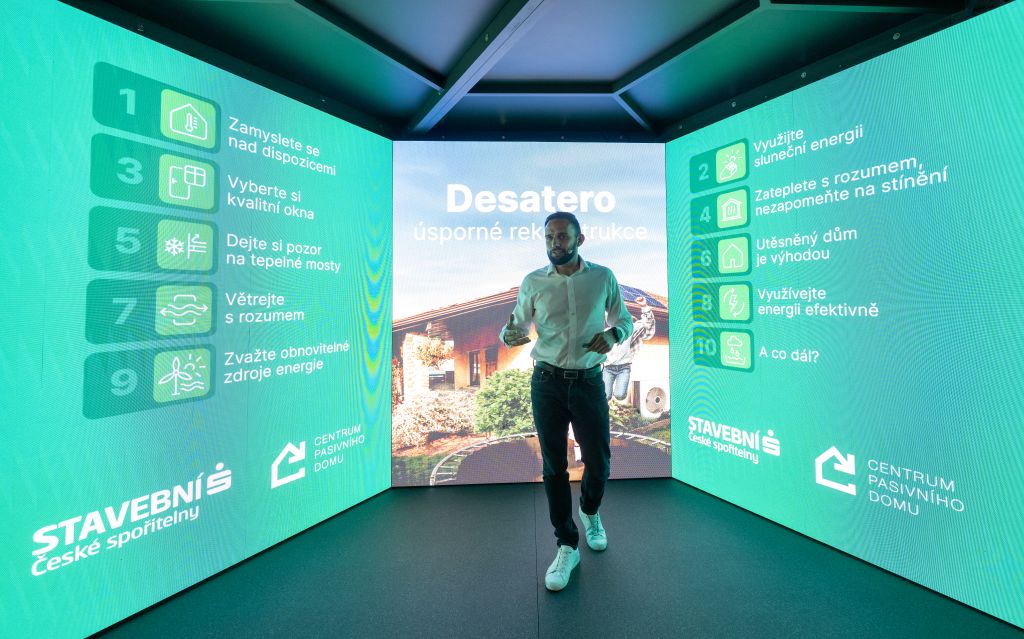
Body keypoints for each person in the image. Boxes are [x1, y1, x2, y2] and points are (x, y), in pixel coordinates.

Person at [499, 211, 633, 592]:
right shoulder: (534, 282)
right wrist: (509, 334)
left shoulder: (603, 277)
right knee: (554, 467)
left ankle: (589, 511)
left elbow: (624, 321)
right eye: (549, 237)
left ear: (579, 239)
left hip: (589, 382)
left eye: (562, 236)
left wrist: (612, 336)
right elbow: (515, 327)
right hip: (547, 383)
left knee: (599, 462)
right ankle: (567, 545)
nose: (555, 243)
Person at [603, 297, 656, 403]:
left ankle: (620, 391)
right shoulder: (606, 332)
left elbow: (648, 323)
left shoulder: (632, 329)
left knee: (620, 395)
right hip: (608, 368)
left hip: (624, 368)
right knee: (605, 396)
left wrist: (644, 306)